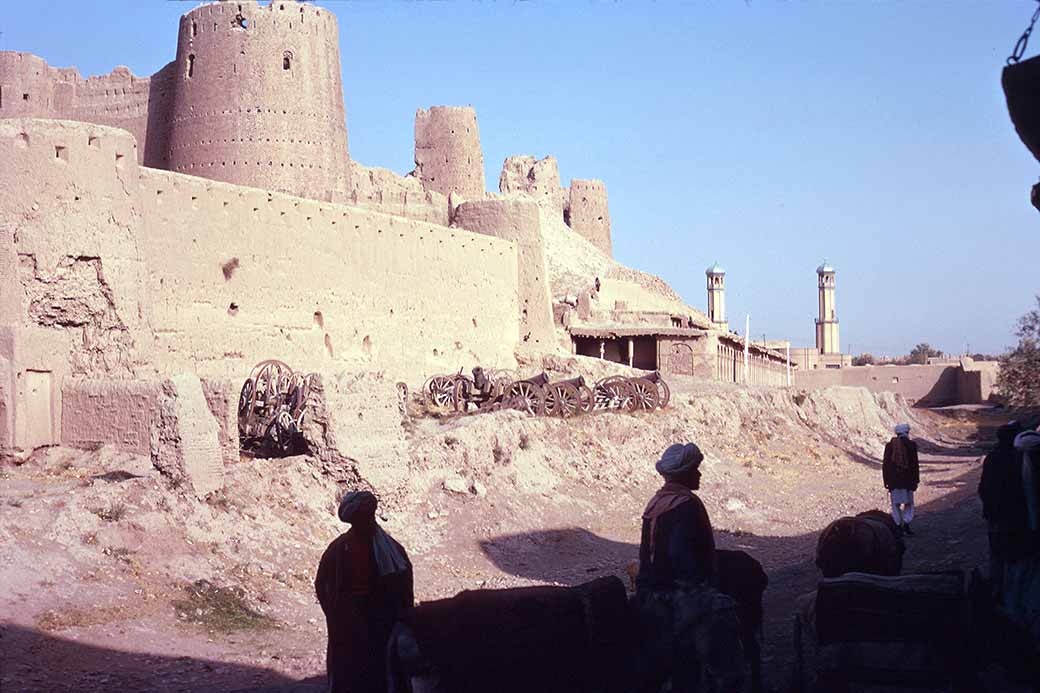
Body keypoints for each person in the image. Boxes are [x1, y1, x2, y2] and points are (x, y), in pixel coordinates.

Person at [632, 443, 746, 693]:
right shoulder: (687, 504)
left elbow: (645, 555)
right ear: (684, 473)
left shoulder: (655, 504)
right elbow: (680, 554)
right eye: (696, 469)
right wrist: (700, 591)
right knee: (728, 666)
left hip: (652, 594)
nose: (699, 474)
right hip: (683, 597)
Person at [315, 491, 414, 693]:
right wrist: (336, 615)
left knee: (381, 671)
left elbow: (404, 587)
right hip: (349, 622)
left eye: (367, 518)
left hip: (381, 622)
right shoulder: (339, 549)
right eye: (361, 520)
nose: (365, 523)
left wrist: (400, 617)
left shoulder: (392, 550)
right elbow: (322, 583)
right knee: (351, 672)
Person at [978, 421, 1027, 591]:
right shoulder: (1022, 459)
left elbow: (983, 489)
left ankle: (997, 593)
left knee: (997, 556)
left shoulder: (992, 458)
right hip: (1017, 518)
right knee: (1018, 559)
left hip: (995, 517)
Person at [882, 423, 920, 536]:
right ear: (907, 432)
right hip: (908, 481)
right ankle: (906, 524)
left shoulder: (890, 446)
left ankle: (898, 525)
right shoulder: (911, 445)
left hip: (894, 481)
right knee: (909, 504)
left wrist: (886, 481)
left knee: (895, 505)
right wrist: (916, 480)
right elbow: (915, 465)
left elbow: (885, 465)